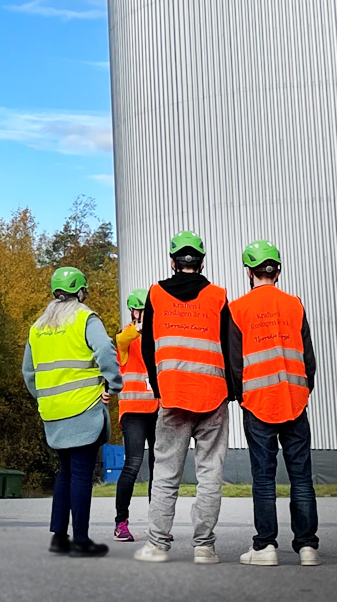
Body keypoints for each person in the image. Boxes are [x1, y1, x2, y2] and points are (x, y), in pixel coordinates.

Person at [133, 231, 240, 566]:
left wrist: (159, 386)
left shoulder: (155, 294)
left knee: (165, 473)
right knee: (210, 474)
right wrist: (232, 392)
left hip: (173, 396)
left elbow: (147, 347)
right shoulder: (218, 296)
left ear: (173, 261)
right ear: (202, 262)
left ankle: (156, 545)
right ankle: (204, 547)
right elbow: (229, 347)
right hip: (213, 398)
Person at [23, 265, 123, 557]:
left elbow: (28, 372)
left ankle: (58, 537)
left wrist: (45, 399)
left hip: (52, 413)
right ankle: (80, 540)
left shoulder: (38, 327)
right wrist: (113, 384)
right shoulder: (84, 317)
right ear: (80, 291)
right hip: (84, 409)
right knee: (81, 475)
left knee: (64, 473)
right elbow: (105, 349)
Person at [230, 240, 319, 567]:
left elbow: (235, 363)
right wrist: (302, 391)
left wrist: (243, 397)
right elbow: (309, 360)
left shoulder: (238, 308)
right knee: (301, 476)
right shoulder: (295, 305)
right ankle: (308, 547)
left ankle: (265, 546)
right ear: (277, 270)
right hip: (294, 401)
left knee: (264, 477)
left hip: (258, 403)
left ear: (249, 271)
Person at [111, 287, 157, 542]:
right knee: (133, 464)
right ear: (134, 311)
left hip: (157, 409)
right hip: (134, 412)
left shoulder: (156, 337)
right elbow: (121, 340)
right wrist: (140, 327)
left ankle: (157, 523)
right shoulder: (126, 338)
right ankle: (121, 522)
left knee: (158, 468)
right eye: (142, 309)